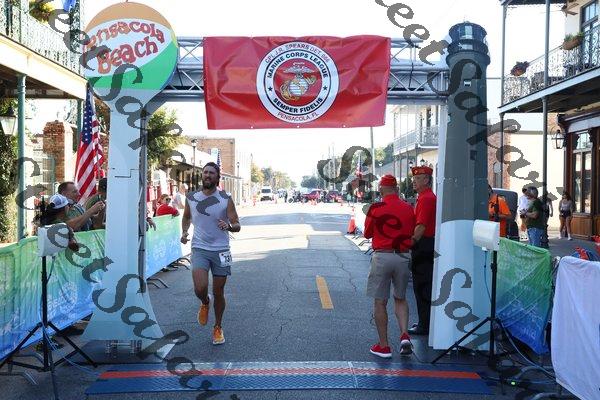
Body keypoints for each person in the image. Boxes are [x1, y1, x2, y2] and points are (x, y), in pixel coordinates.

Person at [181, 162, 241, 345]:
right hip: (199, 248)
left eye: (211, 173)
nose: (207, 175)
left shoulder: (225, 198)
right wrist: (184, 232)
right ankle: (205, 302)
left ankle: (218, 327)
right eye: (205, 172)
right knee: (200, 288)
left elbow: (237, 224)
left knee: (218, 291)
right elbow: (186, 217)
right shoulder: (191, 197)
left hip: (221, 250)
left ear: (217, 177)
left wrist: (229, 226)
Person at [364, 175, 415, 358]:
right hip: (403, 256)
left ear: (381, 189)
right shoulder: (408, 208)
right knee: (400, 298)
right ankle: (404, 335)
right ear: (396, 189)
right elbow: (412, 230)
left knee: (380, 302)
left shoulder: (376, 208)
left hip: (382, 256)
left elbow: (367, 233)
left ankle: (384, 346)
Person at [408, 166, 436, 336]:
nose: (414, 181)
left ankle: (424, 324)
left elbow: (421, 226)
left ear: (426, 180)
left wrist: (410, 243)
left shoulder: (426, 199)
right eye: (414, 178)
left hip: (424, 244)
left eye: (418, 178)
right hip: (425, 244)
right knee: (422, 285)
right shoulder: (425, 197)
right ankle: (424, 322)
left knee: (422, 286)